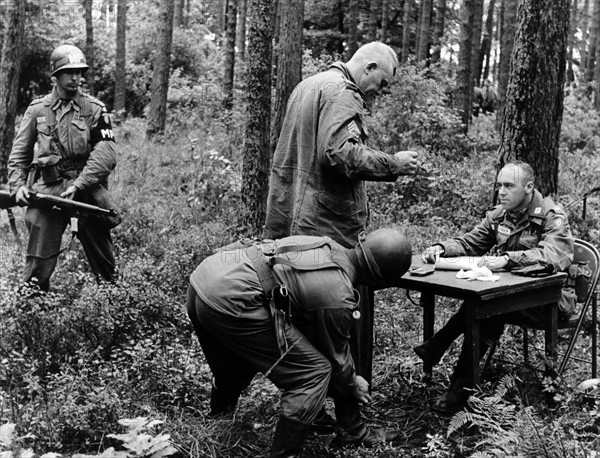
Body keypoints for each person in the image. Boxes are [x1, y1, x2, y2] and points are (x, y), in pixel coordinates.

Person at [263, 41, 420, 412]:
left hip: (291, 223)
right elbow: (338, 153)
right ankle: (353, 417)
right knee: (346, 321)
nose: (378, 96)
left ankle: (311, 405)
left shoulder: (308, 85)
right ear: (368, 67)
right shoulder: (344, 95)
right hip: (327, 231)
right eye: (380, 85)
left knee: (303, 323)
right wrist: (393, 163)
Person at [186, 228, 412, 457]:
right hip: (228, 300)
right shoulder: (338, 295)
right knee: (313, 373)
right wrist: (353, 381)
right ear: (381, 282)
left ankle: (217, 426)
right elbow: (336, 358)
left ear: (361, 241)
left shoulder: (326, 244)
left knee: (232, 365)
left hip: (203, 280)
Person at [414, 161, 574, 414]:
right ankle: (452, 373)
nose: (501, 191)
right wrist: (442, 248)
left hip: (548, 300)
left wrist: (509, 259)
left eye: (509, 186)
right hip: (511, 296)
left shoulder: (551, 215)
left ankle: (456, 386)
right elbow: (471, 242)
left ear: (529, 187)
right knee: (486, 307)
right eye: (499, 185)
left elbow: (555, 255)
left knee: (487, 311)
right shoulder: (499, 215)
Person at [8, 44, 120, 291]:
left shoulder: (95, 109)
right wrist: (16, 187)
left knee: (106, 265)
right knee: (38, 262)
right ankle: (33, 310)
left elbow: (107, 153)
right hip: (48, 193)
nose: (76, 78)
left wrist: (80, 183)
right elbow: (19, 156)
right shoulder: (38, 110)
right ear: (55, 76)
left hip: (86, 193)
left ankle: (117, 308)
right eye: (69, 72)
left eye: (80, 72)